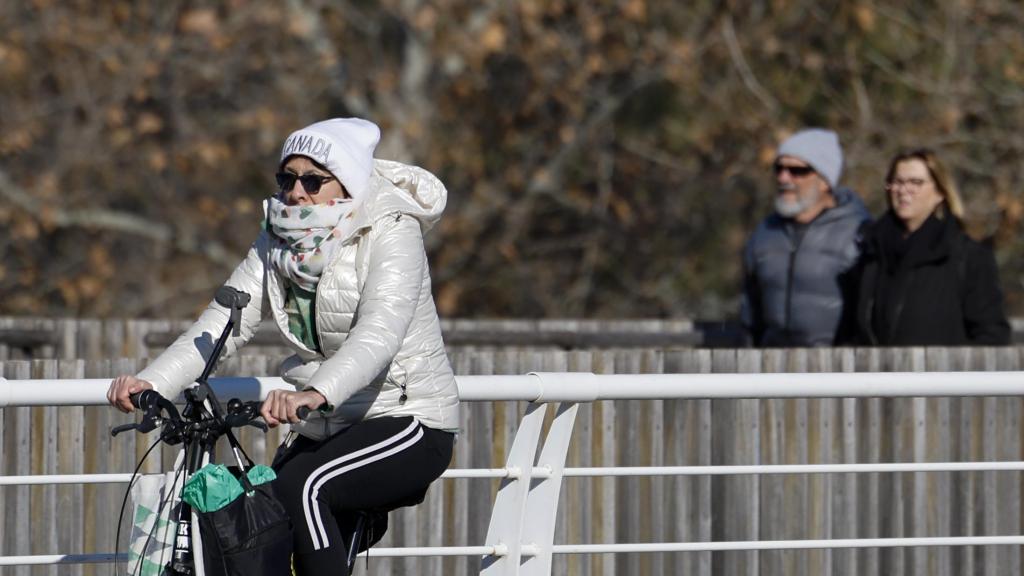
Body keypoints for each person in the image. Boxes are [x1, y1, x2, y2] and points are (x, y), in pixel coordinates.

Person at [106, 118, 459, 573]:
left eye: (313, 180)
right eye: (287, 178)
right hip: (330, 422)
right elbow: (224, 321)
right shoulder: (277, 235)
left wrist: (315, 393)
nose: (297, 192)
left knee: (305, 486)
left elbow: (379, 332)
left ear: (346, 183)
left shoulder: (392, 231)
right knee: (265, 499)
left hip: (409, 418)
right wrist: (151, 382)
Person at [852, 148, 1010, 345]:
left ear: (940, 192)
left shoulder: (967, 256)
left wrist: (954, 372)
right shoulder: (871, 253)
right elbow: (854, 331)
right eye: (897, 182)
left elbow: (992, 335)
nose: (903, 190)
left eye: (916, 182)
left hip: (944, 373)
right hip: (878, 374)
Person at [740, 128, 870, 346]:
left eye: (796, 170)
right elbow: (749, 311)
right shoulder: (764, 233)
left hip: (836, 371)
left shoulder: (859, 233)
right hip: (771, 370)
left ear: (824, 181)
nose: (784, 177)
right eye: (778, 168)